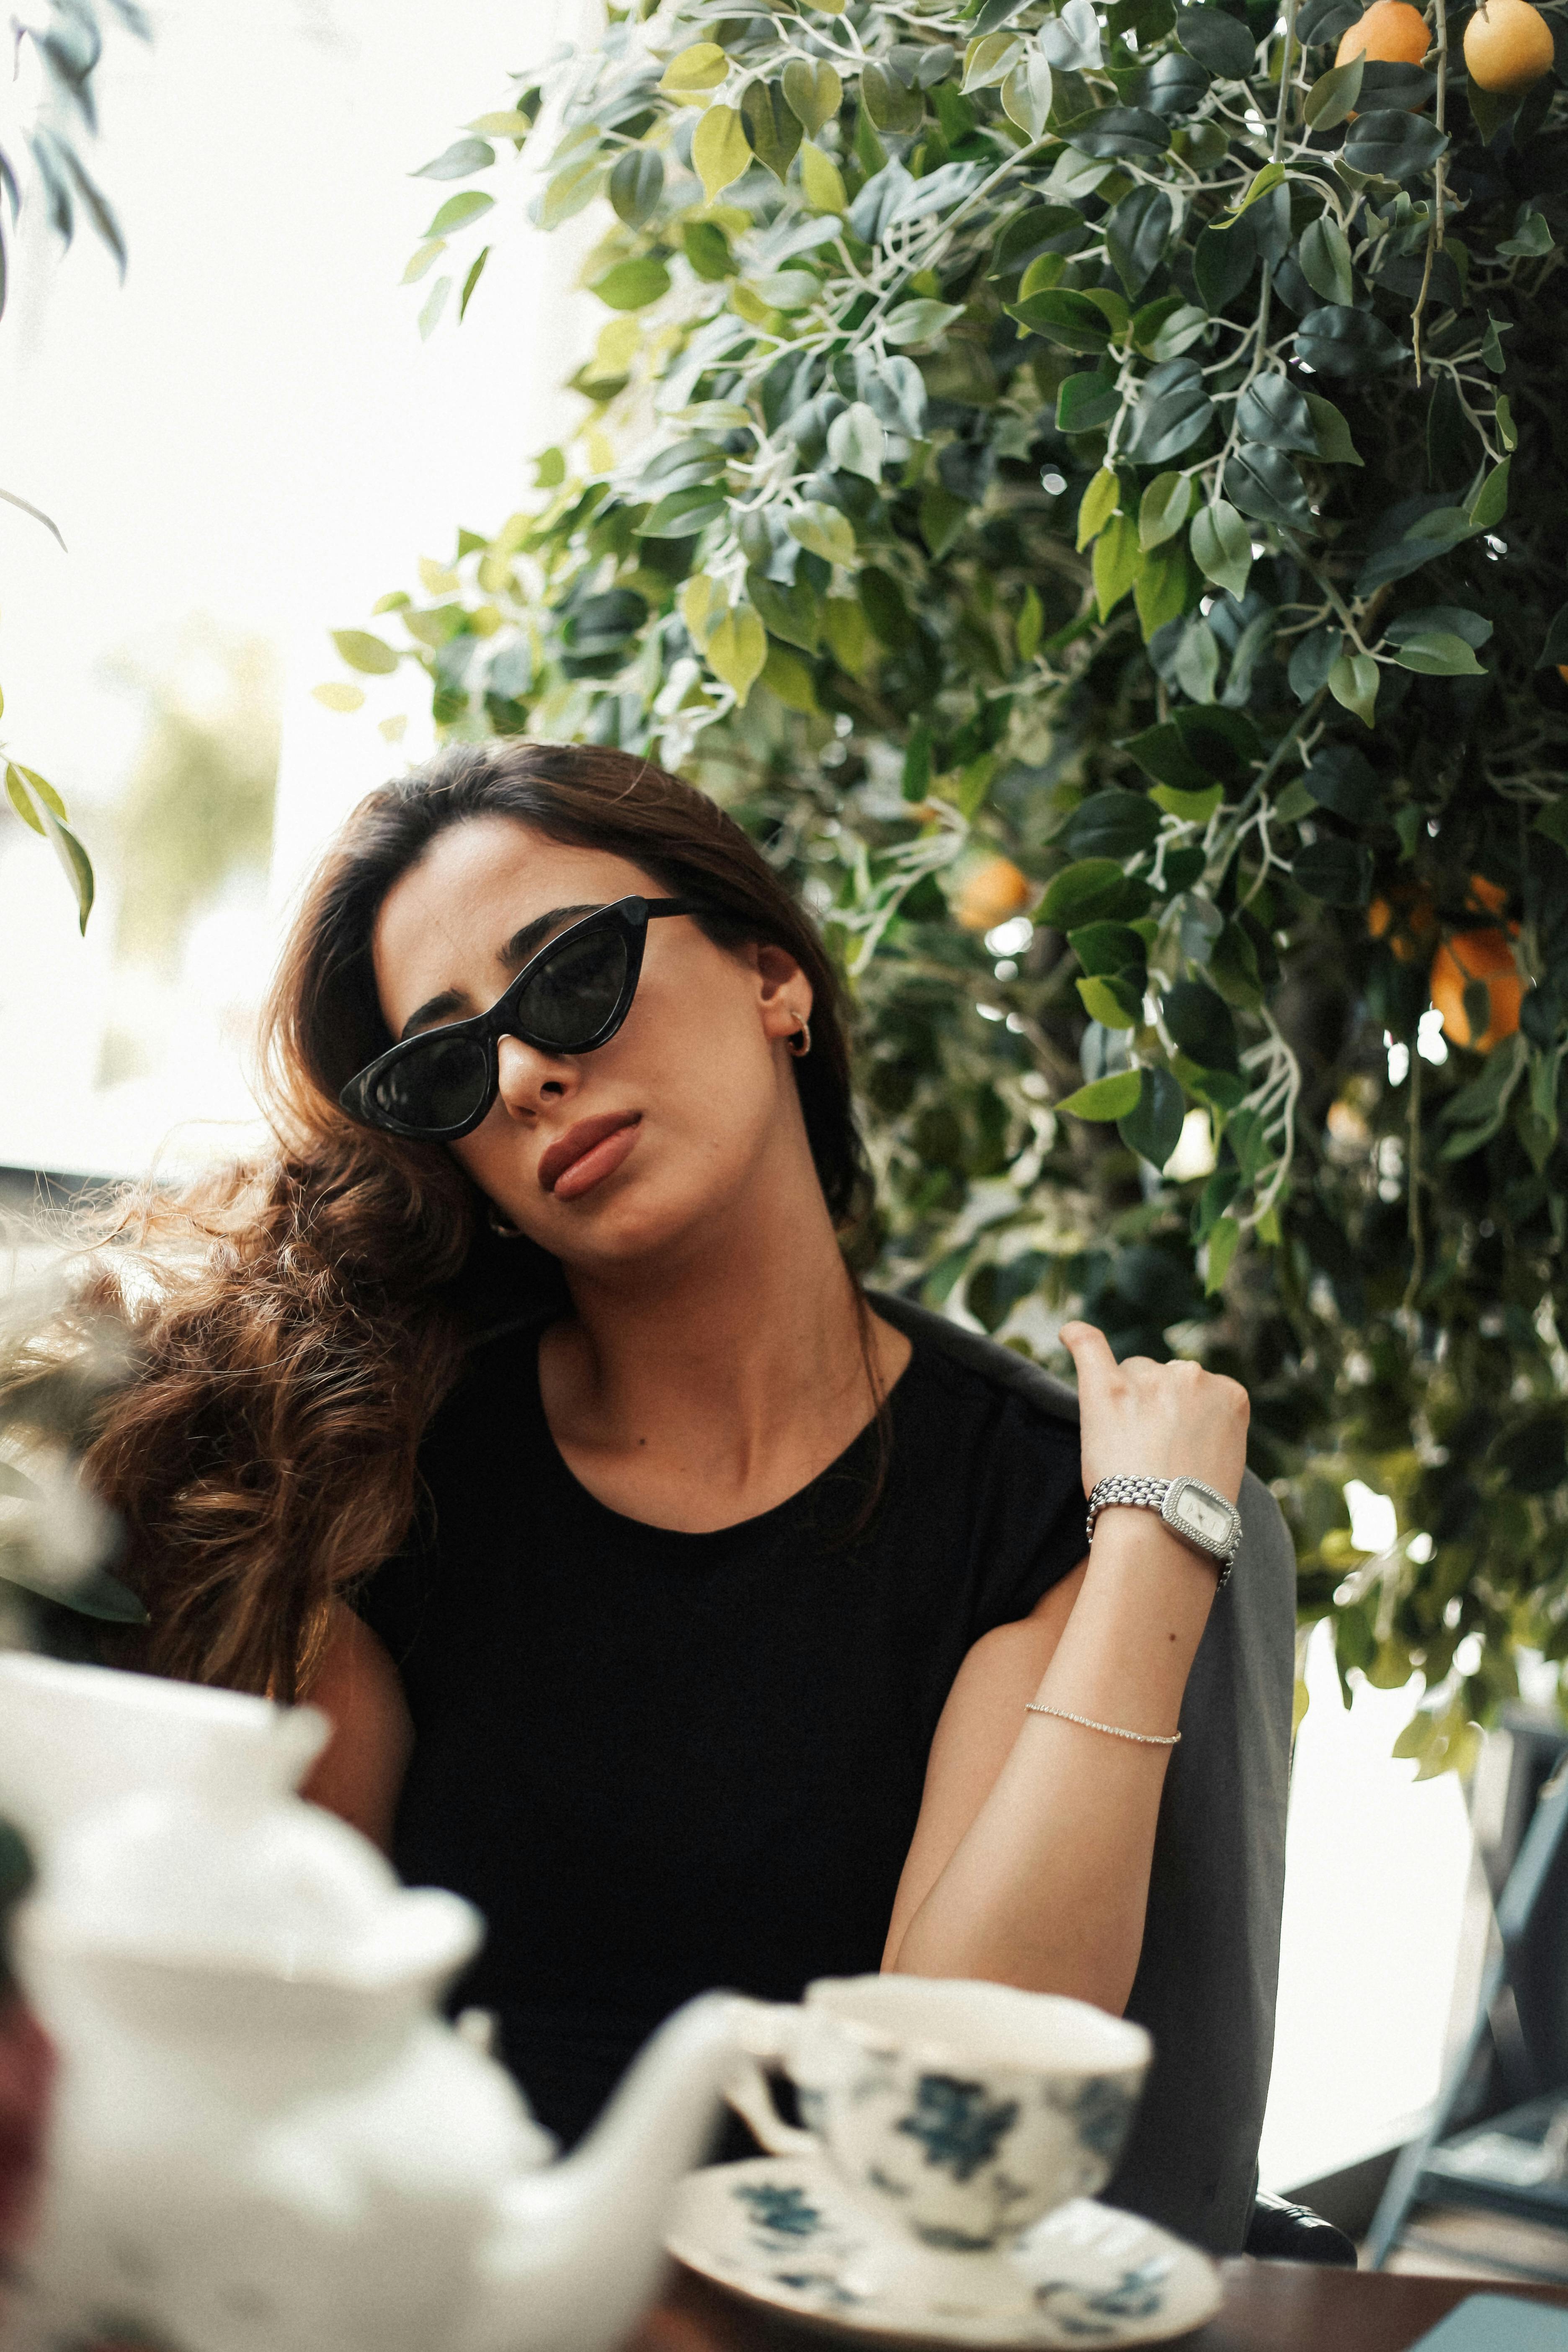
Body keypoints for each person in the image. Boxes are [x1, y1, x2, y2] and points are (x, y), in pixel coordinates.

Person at [69, 740, 1292, 2251]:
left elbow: (949, 2085)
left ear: (776, 980)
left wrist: (1160, 1550)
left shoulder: (1032, 1504)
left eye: (572, 974)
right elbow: (288, 2074)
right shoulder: (376, 1475)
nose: (524, 1072)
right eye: (450, 1063)